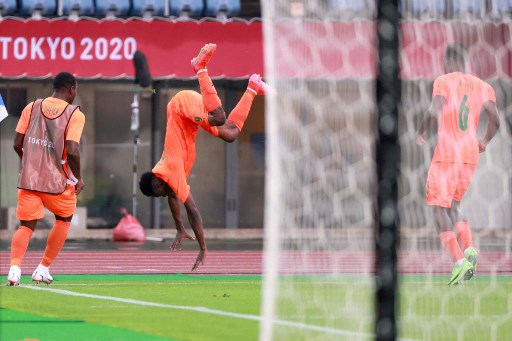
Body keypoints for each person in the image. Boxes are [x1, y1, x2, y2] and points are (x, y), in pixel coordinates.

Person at [138, 43, 268, 271]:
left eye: (158, 193)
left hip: (181, 107)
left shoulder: (170, 171)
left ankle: (200, 68)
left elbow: (193, 211)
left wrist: (203, 247)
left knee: (218, 117)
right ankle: (253, 88)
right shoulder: (166, 180)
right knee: (231, 133)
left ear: (158, 182)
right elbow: (172, 198)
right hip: (186, 120)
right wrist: (179, 228)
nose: (163, 196)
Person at [416, 43, 500, 285]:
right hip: (469, 154)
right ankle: (470, 248)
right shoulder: (482, 86)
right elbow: (495, 118)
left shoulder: (444, 80)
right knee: (454, 204)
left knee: (437, 208)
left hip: (447, 152)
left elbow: (434, 110)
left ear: (450, 61)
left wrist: (420, 133)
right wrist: (483, 141)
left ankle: (458, 261)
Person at [7, 72, 85, 286]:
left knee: (25, 226)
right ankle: (42, 269)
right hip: (57, 183)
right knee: (64, 219)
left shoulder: (31, 107)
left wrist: (30, 160)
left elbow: (16, 143)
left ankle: (14, 270)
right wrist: (78, 177)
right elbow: (72, 149)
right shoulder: (74, 114)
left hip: (29, 180)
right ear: (72, 89)